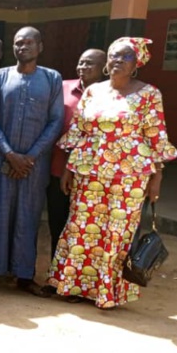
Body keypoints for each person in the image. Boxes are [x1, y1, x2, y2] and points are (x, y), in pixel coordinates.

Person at [48, 38, 177, 309]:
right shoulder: (93, 91)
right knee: (82, 230)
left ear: (137, 63)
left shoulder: (149, 95)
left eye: (125, 57)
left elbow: (156, 138)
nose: (117, 61)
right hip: (89, 173)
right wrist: (69, 170)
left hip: (129, 178)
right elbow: (79, 132)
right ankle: (75, 286)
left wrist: (157, 178)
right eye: (113, 56)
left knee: (117, 234)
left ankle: (106, 292)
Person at [0, 26, 63, 297]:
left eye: (28, 43)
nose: (22, 47)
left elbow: (56, 120)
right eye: (17, 43)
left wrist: (30, 156)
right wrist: (10, 154)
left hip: (33, 166)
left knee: (28, 217)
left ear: (40, 47)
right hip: (1, 161)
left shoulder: (51, 78)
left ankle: (24, 275)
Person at [47, 49, 105, 258]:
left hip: (92, 174)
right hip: (58, 167)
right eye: (81, 63)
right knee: (58, 222)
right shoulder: (62, 87)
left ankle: (79, 278)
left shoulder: (110, 94)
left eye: (90, 64)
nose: (83, 68)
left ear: (104, 67)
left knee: (86, 226)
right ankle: (56, 274)